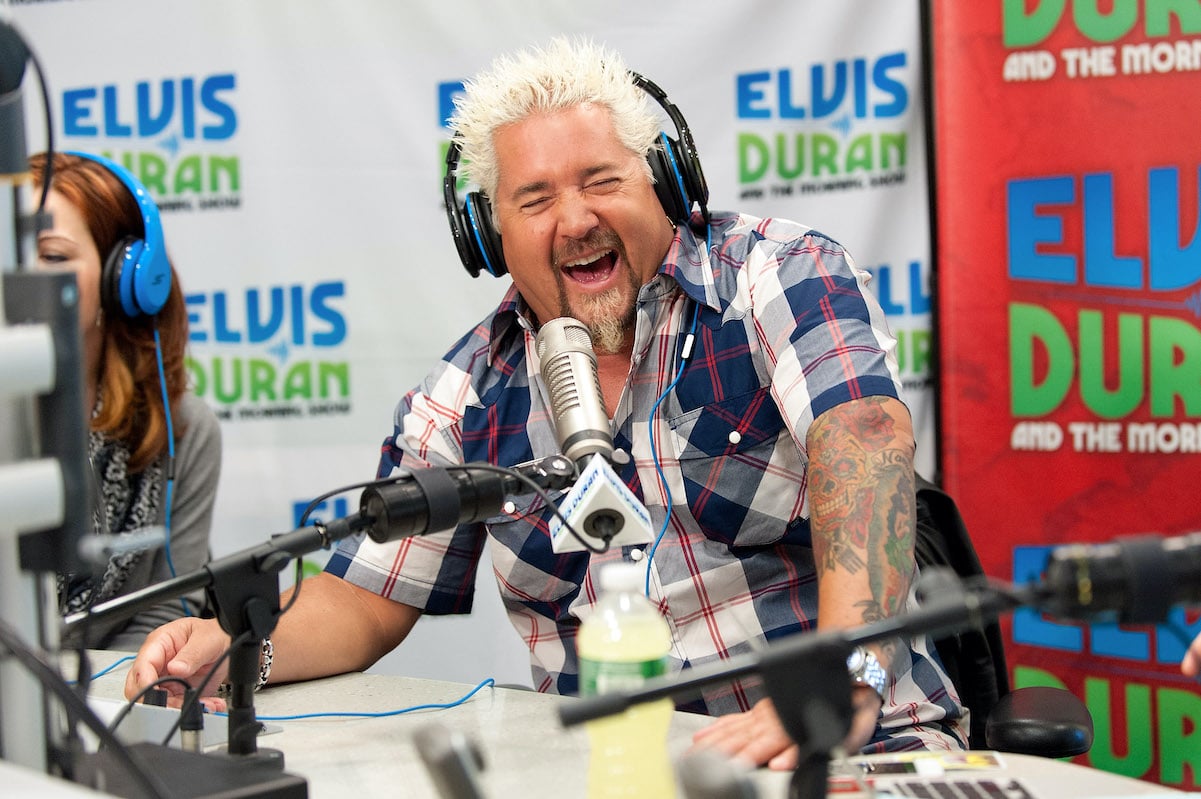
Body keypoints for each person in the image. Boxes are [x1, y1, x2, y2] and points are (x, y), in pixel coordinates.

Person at [124, 38, 965, 766]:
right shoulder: (467, 392)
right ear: (488, 232)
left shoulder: (778, 279)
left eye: (600, 180)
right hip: (619, 769)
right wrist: (241, 655)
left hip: (844, 738)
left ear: (664, 184)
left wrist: (846, 674)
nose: (574, 220)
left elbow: (863, 444)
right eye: (534, 200)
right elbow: (360, 600)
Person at [31, 152, 222, 651]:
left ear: (125, 282)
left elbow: (163, 613)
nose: (20, 280)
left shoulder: (183, 429)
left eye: (52, 256)